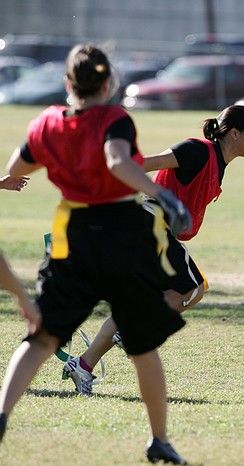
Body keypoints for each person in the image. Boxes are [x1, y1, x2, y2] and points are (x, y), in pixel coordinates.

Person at [0, 43, 190, 464]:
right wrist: (161, 193)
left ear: (69, 83)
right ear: (109, 83)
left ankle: (1, 414)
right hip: (123, 233)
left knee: (44, 335)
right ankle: (159, 439)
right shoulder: (114, 118)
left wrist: (20, 172)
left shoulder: (47, 122)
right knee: (142, 342)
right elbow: (117, 162)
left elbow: (17, 167)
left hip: (73, 234)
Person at [63, 104, 244, 396]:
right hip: (146, 224)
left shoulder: (219, 163)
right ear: (234, 133)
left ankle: (84, 365)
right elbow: (142, 164)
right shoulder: (196, 150)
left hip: (153, 230)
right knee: (193, 287)